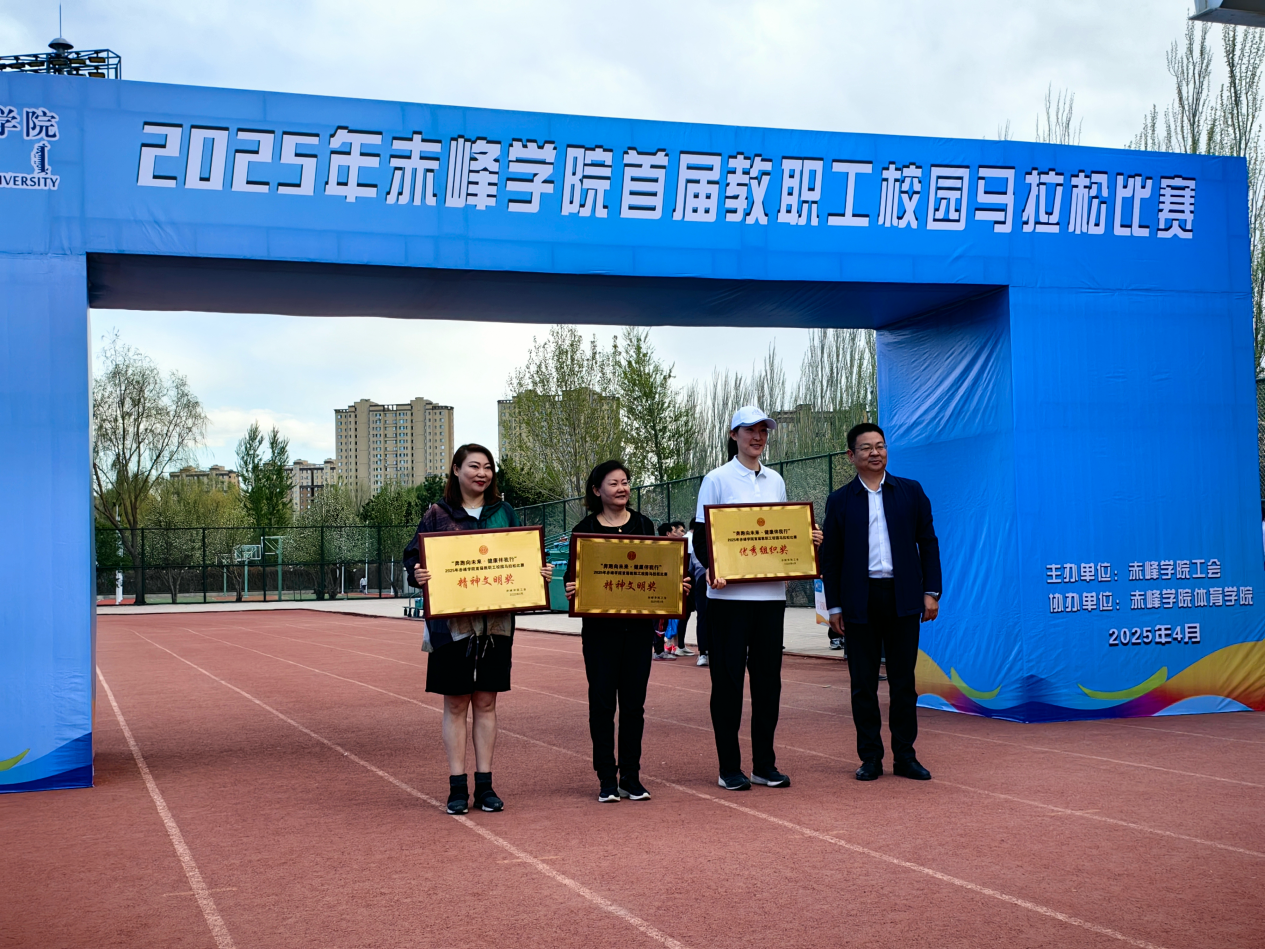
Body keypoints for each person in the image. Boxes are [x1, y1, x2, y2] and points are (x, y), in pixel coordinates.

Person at [403, 443, 553, 815]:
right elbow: (414, 557)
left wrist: (539, 571)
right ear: (456, 470)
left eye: (488, 467)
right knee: (456, 703)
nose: (482, 473)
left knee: (486, 702)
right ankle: (457, 786)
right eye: (473, 466)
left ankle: (485, 785)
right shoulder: (437, 514)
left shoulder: (504, 512)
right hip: (451, 625)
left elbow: (525, 555)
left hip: (495, 624)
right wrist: (417, 573)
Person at [694, 406, 822, 791]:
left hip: (770, 597)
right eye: (750, 430)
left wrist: (808, 540)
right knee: (728, 684)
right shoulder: (716, 479)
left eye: (763, 431)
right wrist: (712, 568)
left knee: (768, 684)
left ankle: (764, 765)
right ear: (733, 434)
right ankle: (729, 768)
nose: (758, 437)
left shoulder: (775, 481)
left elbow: (783, 534)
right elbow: (702, 537)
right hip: (727, 600)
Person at [818, 423, 942, 782]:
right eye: (866, 448)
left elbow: (928, 542)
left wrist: (931, 591)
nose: (875, 453)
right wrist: (834, 607)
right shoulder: (840, 500)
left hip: (903, 596)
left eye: (880, 446)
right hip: (860, 600)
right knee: (863, 684)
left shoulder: (910, 491)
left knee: (903, 682)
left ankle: (905, 756)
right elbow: (831, 558)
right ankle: (870, 757)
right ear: (850, 455)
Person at [564, 460, 691, 803]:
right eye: (614, 483)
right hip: (600, 633)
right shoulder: (584, 529)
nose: (622, 488)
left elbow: (660, 569)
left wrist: (676, 585)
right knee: (602, 704)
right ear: (596, 490)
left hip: (637, 631)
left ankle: (631, 777)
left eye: (625, 482)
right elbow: (572, 580)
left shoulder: (644, 525)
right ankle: (607, 778)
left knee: (634, 706)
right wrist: (572, 589)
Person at [657, 522, 695, 657]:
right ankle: (662, 648)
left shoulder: (677, 547)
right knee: (664, 618)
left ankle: (673, 645)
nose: (681, 534)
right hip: (667, 588)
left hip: (676, 586)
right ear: (668, 533)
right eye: (678, 531)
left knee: (674, 617)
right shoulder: (664, 549)